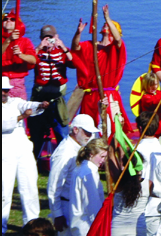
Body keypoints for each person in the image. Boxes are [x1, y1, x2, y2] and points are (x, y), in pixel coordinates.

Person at [72, 5, 132, 133]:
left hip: (108, 94)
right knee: (87, 128)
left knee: (111, 129)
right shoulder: (90, 45)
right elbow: (75, 47)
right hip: (90, 95)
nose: (105, 25)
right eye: (104, 24)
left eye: (109, 25)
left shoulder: (116, 49)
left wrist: (107, 18)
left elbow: (117, 40)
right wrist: (78, 33)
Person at [2, 75, 49, 233]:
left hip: (23, 149)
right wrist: (23, 116)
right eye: (2, 90)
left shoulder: (15, 102)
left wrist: (40, 105)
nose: (4, 93)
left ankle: (32, 224)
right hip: (5, 151)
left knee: (29, 186)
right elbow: (4, 124)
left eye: (6, 90)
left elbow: (27, 104)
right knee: (4, 190)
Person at [46, 113, 100, 233]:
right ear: (75, 130)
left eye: (91, 132)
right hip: (66, 207)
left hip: (77, 204)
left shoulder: (79, 143)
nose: (90, 136)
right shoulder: (64, 153)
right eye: (87, 132)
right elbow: (54, 186)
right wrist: (57, 214)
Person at [28, 24, 72, 160]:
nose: (49, 41)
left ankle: (65, 160)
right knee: (36, 133)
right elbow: (28, 64)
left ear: (56, 37)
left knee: (62, 131)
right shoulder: (36, 52)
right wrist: (39, 48)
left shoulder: (62, 52)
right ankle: (34, 161)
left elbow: (74, 63)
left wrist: (63, 47)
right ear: (41, 39)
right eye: (45, 38)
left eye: (51, 38)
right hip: (39, 99)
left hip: (57, 100)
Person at [67, 137, 108, 236]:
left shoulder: (81, 168)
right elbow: (92, 204)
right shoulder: (89, 173)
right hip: (87, 226)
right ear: (91, 154)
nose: (103, 160)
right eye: (102, 156)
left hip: (79, 224)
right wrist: (99, 225)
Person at [109, 147, 147, 236]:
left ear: (124, 164)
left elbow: (110, 155)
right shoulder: (149, 184)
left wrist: (115, 141)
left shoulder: (119, 182)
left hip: (117, 229)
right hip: (139, 229)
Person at [2, 13, 36, 99]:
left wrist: (20, 55)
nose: (8, 20)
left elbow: (33, 60)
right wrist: (9, 40)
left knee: (19, 109)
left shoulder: (25, 41)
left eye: (12, 19)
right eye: (5, 19)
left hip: (17, 83)